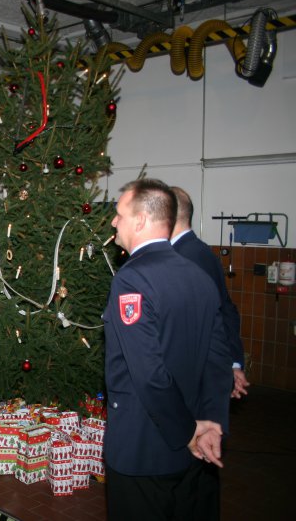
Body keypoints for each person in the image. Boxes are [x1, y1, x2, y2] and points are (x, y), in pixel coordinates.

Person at [103, 179, 233, 520]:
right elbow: (218, 361)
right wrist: (212, 423)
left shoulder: (132, 279)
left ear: (141, 221)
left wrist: (187, 432)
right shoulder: (199, 275)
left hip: (144, 449)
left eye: (119, 214)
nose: (114, 222)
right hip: (192, 451)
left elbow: (149, 374)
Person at [170, 187, 250, 399]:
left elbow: (203, 320)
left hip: (196, 374)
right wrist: (234, 363)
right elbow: (225, 308)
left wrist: (229, 366)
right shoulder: (199, 250)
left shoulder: (183, 257)